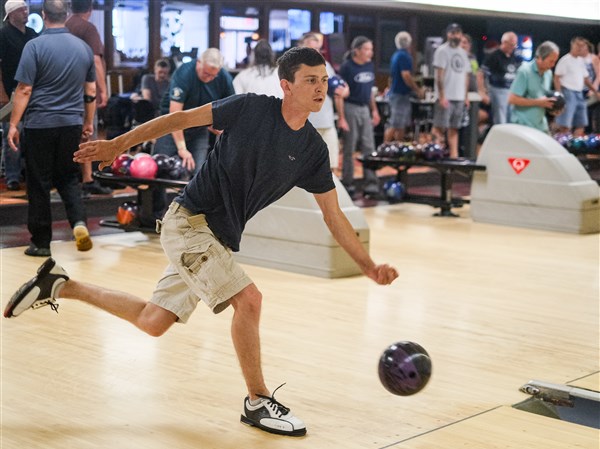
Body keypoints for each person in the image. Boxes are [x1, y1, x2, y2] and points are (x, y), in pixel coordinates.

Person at [5, 46, 399, 437]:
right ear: (286, 86)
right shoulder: (250, 108)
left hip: (217, 239)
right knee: (249, 299)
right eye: (311, 80)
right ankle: (258, 400)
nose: (320, 88)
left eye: (324, 80)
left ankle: (60, 284)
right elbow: (178, 117)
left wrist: (368, 266)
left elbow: (333, 215)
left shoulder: (313, 149)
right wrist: (117, 145)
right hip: (189, 223)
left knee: (153, 321)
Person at [6, 0, 96, 256]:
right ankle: (79, 223)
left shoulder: (34, 46)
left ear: (43, 15)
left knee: (39, 182)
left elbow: (24, 89)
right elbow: (90, 91)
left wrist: (13, 124)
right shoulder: (83, 48)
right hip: (71, 123)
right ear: (66, 15)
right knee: (69, 178)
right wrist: (87, 122)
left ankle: (41, 243)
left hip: (40, 124)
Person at [153, 48, 235, 175]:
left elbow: (231, 109)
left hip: (198, 127)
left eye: (214, 75)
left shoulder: (224, 78)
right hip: (170, 125)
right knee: (159, 168)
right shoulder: (184, 73)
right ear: (198, 62)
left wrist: (219, 126)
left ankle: (189, 194)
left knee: (198, 173)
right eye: (207, 73)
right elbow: (175, 114)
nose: (210, 78)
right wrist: (182, 148)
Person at [65, 0, 111, 195]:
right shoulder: (88, 28)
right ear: (90, 10)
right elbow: (95, 60)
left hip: (64, 89)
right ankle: (87, 178)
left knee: (72, 133)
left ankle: (73, 179)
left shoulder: (65, 25)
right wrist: (103, 89)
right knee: (88, 132)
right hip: (85, 89)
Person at [0, 0, 37, 191]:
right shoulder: (3, 34)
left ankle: (29, 171)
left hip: (32, 91)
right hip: (11, 91)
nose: (25, 12)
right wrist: (2, 93)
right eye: (21, 9)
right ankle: (12, 176)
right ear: (11, 14)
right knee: (12, 133)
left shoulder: (32, 34)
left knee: (30, 134)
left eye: (25, 8)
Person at [298, 32, 349, 171]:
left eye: (318, 49)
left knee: (331, 165)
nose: (316, 52)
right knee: (306, 168)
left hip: (327, 122)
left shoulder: (325, 66)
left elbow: (337, 87)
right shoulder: (295, 68)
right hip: (306, 124)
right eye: (312, 48)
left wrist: (344, 89)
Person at [338, 36, 381, 197]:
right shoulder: (347, 67)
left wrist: (374, 110)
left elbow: (370, 91)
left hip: (365, 108)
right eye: (367, 49)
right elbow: (340, 95)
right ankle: (348, 182)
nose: (371, 52)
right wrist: (341, 117)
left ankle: (371, 183)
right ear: (357, 51)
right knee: (350, 147)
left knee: (369, 147)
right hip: (350, 107)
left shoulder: (369, 66)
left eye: (371, 49)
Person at [431, 23, 471, 159]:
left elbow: (466, 75)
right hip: (446, 96)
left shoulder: (463, 53)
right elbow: (439, 75)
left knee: (455, 128)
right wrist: (442, 96)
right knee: (440, 127)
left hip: (459, 96)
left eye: (458, 33)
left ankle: (454, 156)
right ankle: (435, 153)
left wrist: (466, 96)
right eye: (452, 33)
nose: (455, 35)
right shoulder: (442, 51)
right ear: (448, 34)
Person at [508, 41, 560, 133]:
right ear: (539, 58)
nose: (553, 65)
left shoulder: (548, 73)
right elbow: (512, 99)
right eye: (551, 61)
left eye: (555, 61)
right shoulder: (524, 71)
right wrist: (538, 102)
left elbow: (543, 99)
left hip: (540, 125)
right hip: (523, 125)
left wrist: (553, 108)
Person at [553, 36, 600, 136]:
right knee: (565, 124)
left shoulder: (581, 61)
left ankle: (576, 146)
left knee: (581, 123)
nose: (580, 48)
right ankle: (561, 143)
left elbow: (586, 79)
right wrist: (559, 94)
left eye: (582, 46)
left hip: (579, 94)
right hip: (568, 92)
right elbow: (556, 77)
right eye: (578, 45)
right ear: (572, 45)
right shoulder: (565, 60)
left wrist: (595, 91)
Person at [385, 31, 424, 143]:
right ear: (409, 43)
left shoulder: (395, 55)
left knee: (400, 126)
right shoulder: (405, 56)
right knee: (395, 124)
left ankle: (398, 149)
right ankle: (382, 152)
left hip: (396, 94)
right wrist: (418, 90)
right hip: (400, 95)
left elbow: (391, 78)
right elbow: (406, 75)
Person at [477, 31, 520, 125]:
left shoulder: (513, 56)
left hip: (511, 90)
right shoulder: (494, 55)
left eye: (514, 45)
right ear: (504, 42)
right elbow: (480, 73)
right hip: (498, 90)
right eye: (511, 45)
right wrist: (482, 92)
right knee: (501, 119)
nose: (513, 47)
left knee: (511, 118)